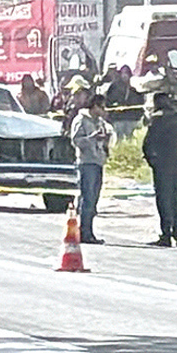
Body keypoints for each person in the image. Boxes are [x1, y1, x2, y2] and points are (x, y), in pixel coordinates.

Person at [142, 92, 177, 247]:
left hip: (161, 162)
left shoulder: (157, 118)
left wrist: (151, 160)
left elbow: (148, 143)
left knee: (163, 199)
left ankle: (166, 234)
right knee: (175, 197)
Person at [70, 93, 113, 245]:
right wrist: (92, 138)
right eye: (101, 107)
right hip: (86, 162)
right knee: (87, 197)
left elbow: (105, 139)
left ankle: (89, 231)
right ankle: (83, 232)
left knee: (94, 198)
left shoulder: (100, 122)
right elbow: (76, 141)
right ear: (94, 106)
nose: (103, 110)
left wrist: (105, 141)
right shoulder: (81, 120)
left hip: (98, 161)